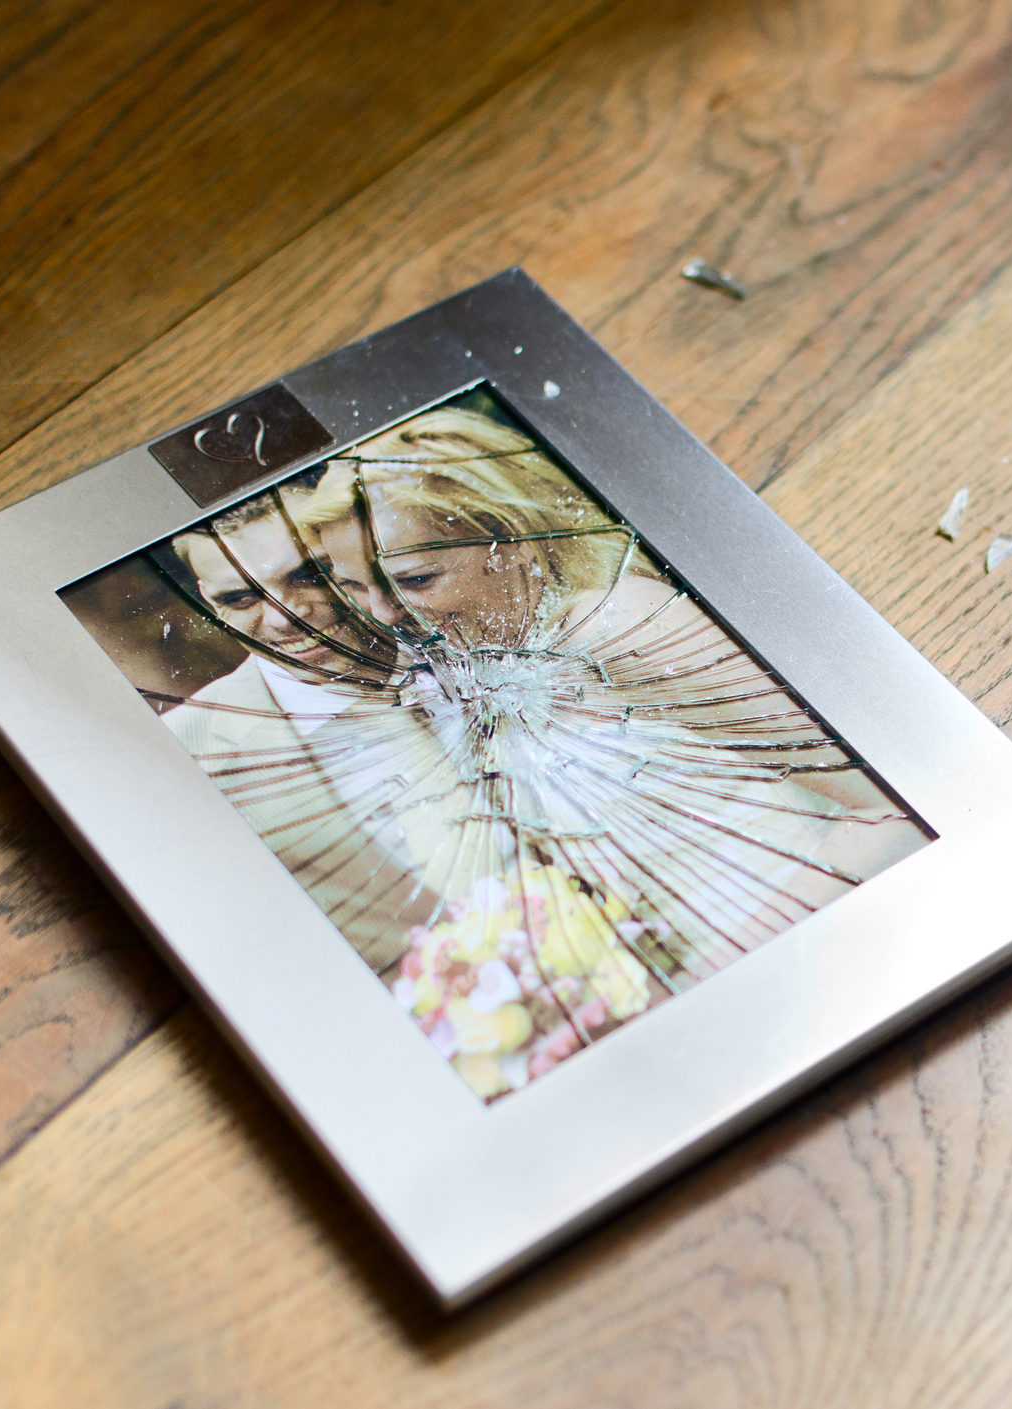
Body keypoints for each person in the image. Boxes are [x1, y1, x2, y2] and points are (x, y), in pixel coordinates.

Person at [292, 405, 929, 1096]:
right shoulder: (465, 696)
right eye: (355, 587)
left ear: (513, 539)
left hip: (855, 972)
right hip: (718, 1042)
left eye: (414, 579)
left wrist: (699, 985)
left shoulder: (618, 627)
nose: (384, 615)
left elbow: (893, 811)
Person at [157, 482, 435, 972]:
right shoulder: (183, 754)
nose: (286, 616)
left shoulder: (472, 630)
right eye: (240, 598)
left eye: (309, 573)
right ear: (206, 597)